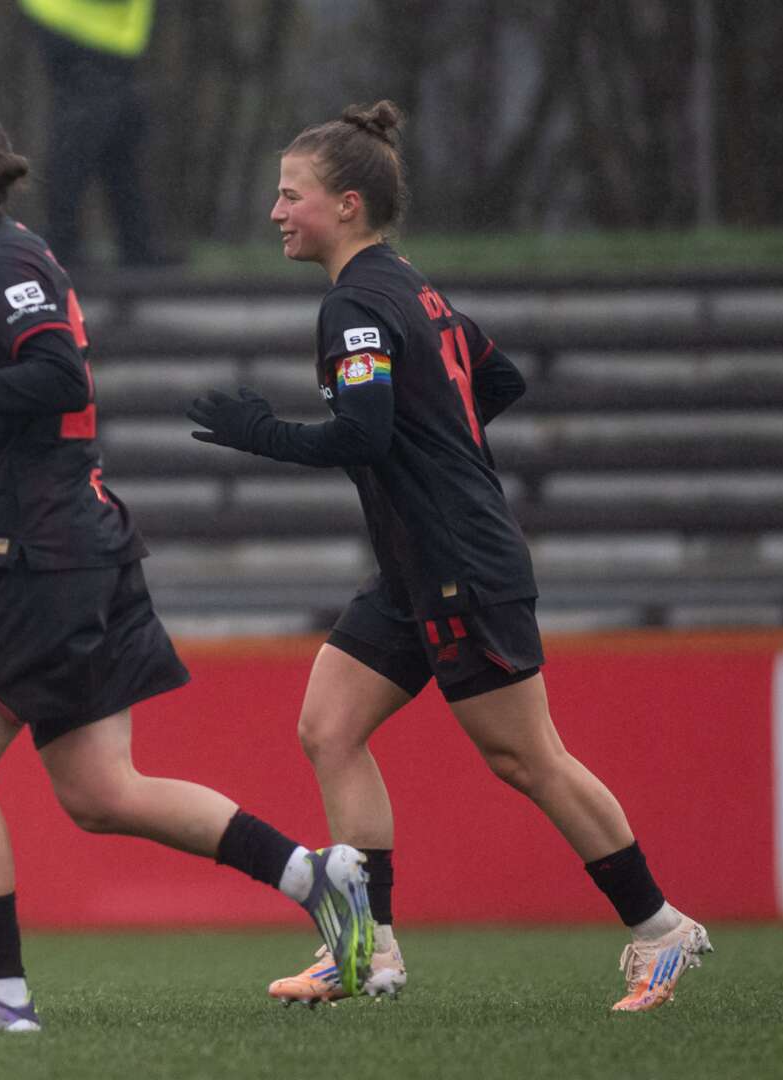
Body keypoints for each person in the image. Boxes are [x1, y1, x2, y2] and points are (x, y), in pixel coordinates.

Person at [185, 101, 713, 1012]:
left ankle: (661, 930)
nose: (276, 212)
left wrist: (259, 432)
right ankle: (370, 949)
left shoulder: (356, 301)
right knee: (329, 728)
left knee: (527, 759)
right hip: (414, 566)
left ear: (347, 205)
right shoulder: (412, 288)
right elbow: (495, 378)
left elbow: (362, 433)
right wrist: (444, 449)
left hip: (459, 560)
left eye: (290, 195)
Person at [0, 99, 372, 1034]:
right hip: (77, 542)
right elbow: (28, 400)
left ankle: (0, 997)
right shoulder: (5, 256)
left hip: (38, 553)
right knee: (103, 791)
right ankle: (316, 876)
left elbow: (56, 375)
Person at [20, 0, 170, 270]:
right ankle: (60, 247)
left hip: (100, 32)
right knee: (81, 137)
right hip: (79, 27)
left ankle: (136, 248)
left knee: (118, 134)